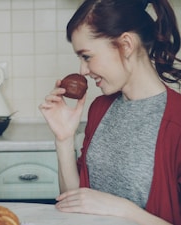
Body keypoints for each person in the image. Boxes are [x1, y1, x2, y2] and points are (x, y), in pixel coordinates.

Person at [39, 0, 181, 224]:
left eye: (87, 56)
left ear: (126, 44)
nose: (82, 70)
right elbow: (76, 202)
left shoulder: (177, 120)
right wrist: (64, 140)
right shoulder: (100, 108)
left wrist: (124, 210)